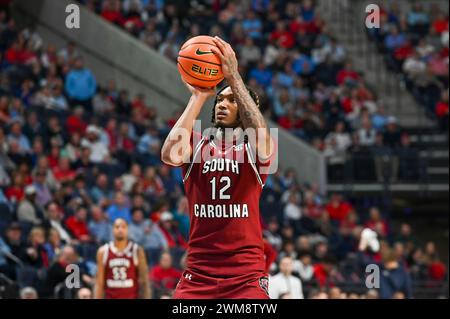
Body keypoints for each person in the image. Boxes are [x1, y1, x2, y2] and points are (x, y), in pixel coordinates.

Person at [161, 36, 276, 299]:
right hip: (198, 274)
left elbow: (260, 135)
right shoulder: (196, 145)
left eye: (232, 100)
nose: (223, 103)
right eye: (220, 100)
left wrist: (234, 78)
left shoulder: (256, 150)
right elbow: (168, 155)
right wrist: (200, 96)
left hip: (245, 276)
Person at [95, 218, 151, 299]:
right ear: (112, 229)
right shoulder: (103, 251)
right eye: (117, 227)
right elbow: (99, 282)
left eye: (123, 227)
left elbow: (144, 280)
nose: (120, 229)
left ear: (128, 229)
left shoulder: (136, 250)